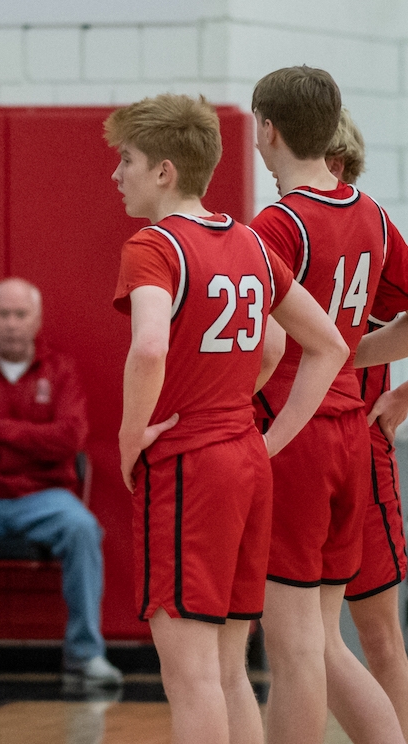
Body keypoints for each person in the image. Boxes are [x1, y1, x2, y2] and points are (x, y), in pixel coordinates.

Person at [107, 92, 348, 744]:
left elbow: (150, 344)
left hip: (189, 464)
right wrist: (264, 433)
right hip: (245, 460)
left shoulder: (152, 245)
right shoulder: (245, 240)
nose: (115, 173)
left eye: (125, 159)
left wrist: (130, 437)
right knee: (227, 666)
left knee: (190, 678)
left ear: (163, 170)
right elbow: (310, 344)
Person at [249, 66, 407, 744]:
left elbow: (262, 349)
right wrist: (351, 355)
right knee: (321, 643)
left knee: (293, 651)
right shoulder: (369, 213)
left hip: (296, 432)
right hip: (349, 434)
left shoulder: (276, 224)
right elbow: (333, 341)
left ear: (266, 129)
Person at [0, 277, 120, 697]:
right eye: (3, 314)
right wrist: (34, 445)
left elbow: (70, 440)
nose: (11, 323)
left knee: (83, 529)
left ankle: (85, 652)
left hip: (45, 497)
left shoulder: (60, 371)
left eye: (20, 314)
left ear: (37, 319)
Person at [325, 109, 408, 742]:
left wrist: (403, 395)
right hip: (298, 447)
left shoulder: (373, 227)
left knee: (374, 632)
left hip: (358, 442)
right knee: (302, 635)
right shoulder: (287, 229)